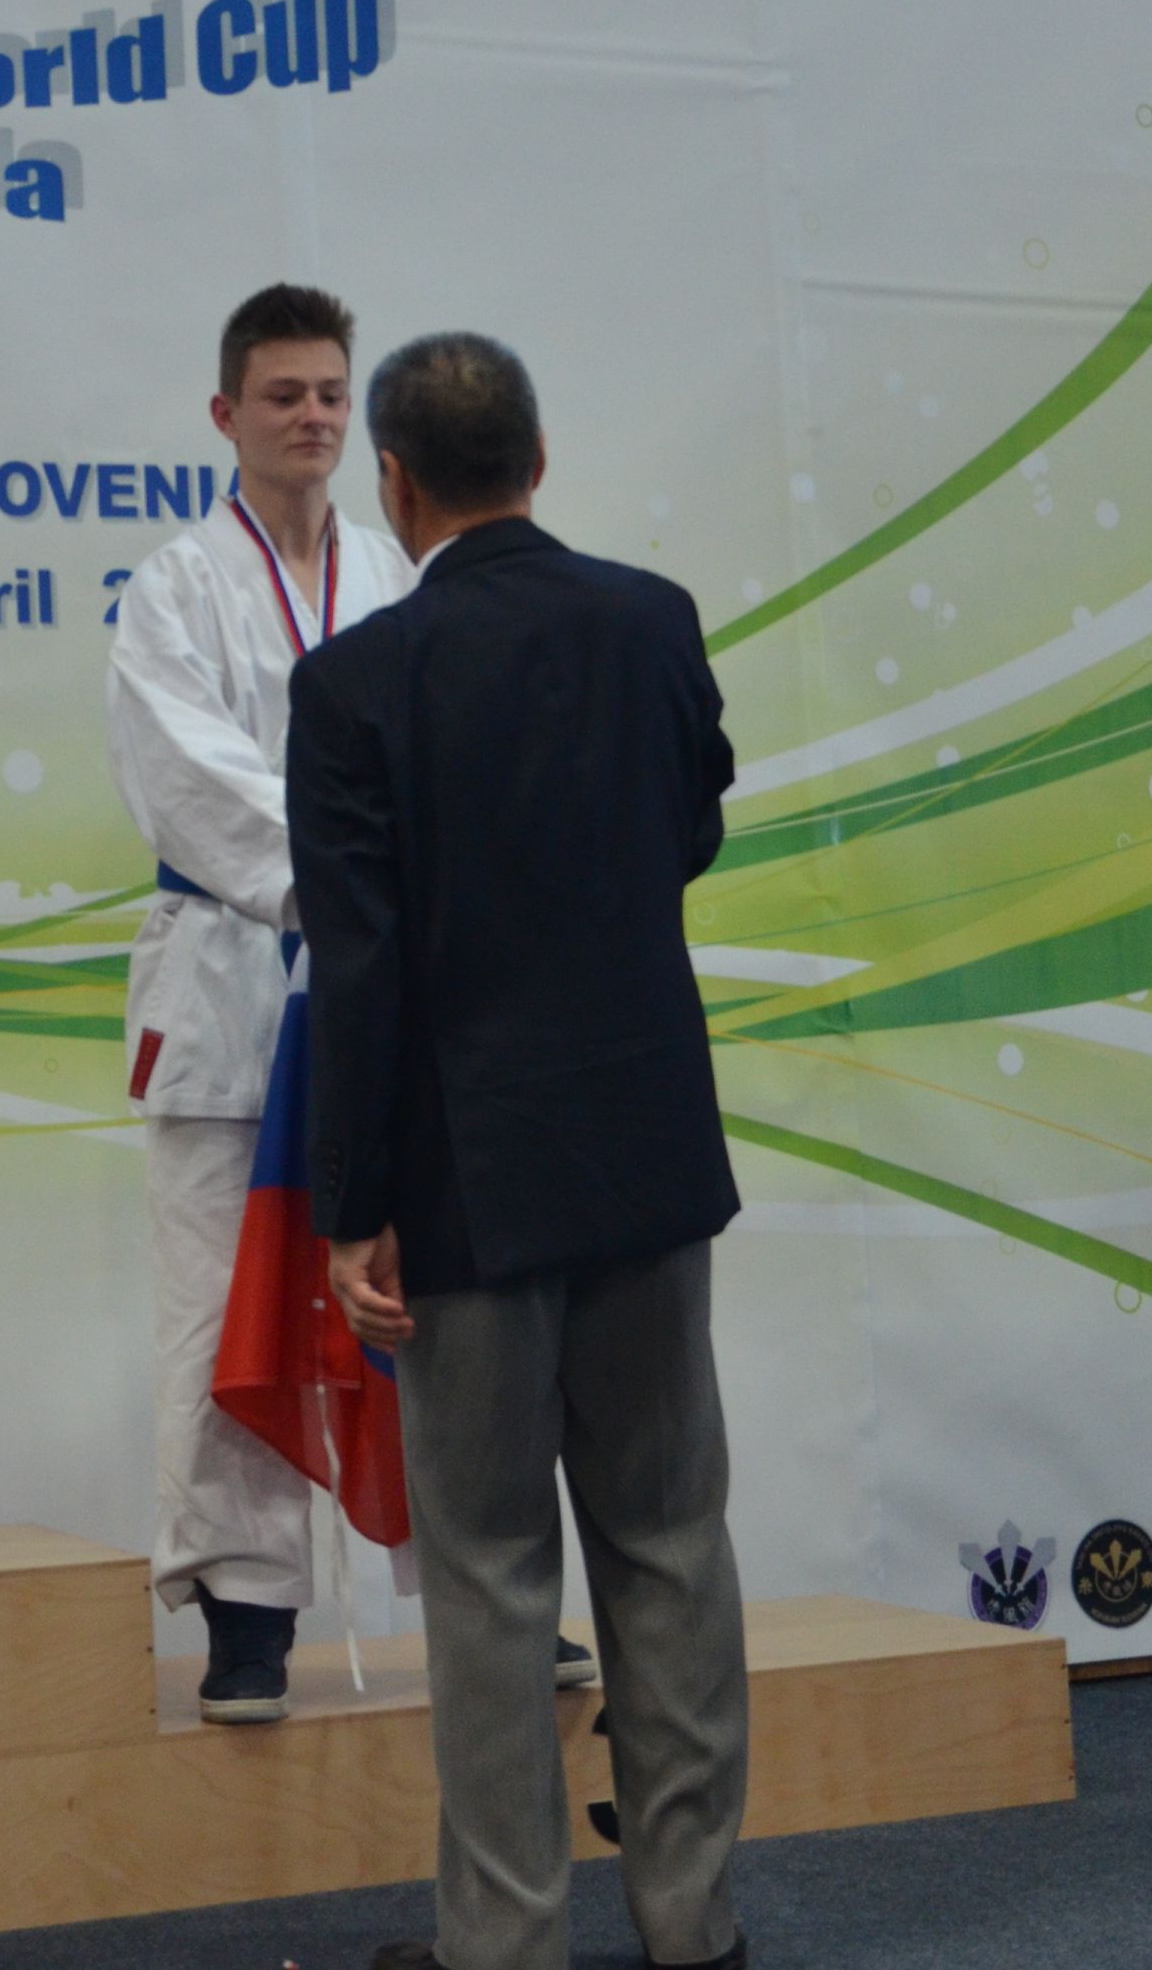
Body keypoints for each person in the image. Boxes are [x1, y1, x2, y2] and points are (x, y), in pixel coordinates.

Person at [291, 333, 751, 1970]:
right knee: (671, 1541)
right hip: (647, 1158)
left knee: (490, 1575)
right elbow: (691, 829)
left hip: (464, 1189)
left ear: (392, 485)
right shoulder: (654, 619)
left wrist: (353, 1206)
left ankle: (506, 1944)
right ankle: (695, 1928)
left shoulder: (352, 685)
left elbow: (359, 968)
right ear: (539, 462)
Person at [105, 283, 417, 1721]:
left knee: (428, 1287)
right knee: (216, 1299)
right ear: (226, 414)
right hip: (235, 973)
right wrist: (347, 889)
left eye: (332, 394)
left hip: (391, 980)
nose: (312, 417)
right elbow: (189, 774)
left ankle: (479, 1579)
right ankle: (245, 1609)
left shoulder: (400, 577)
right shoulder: (173, 588)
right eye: (283, 395)